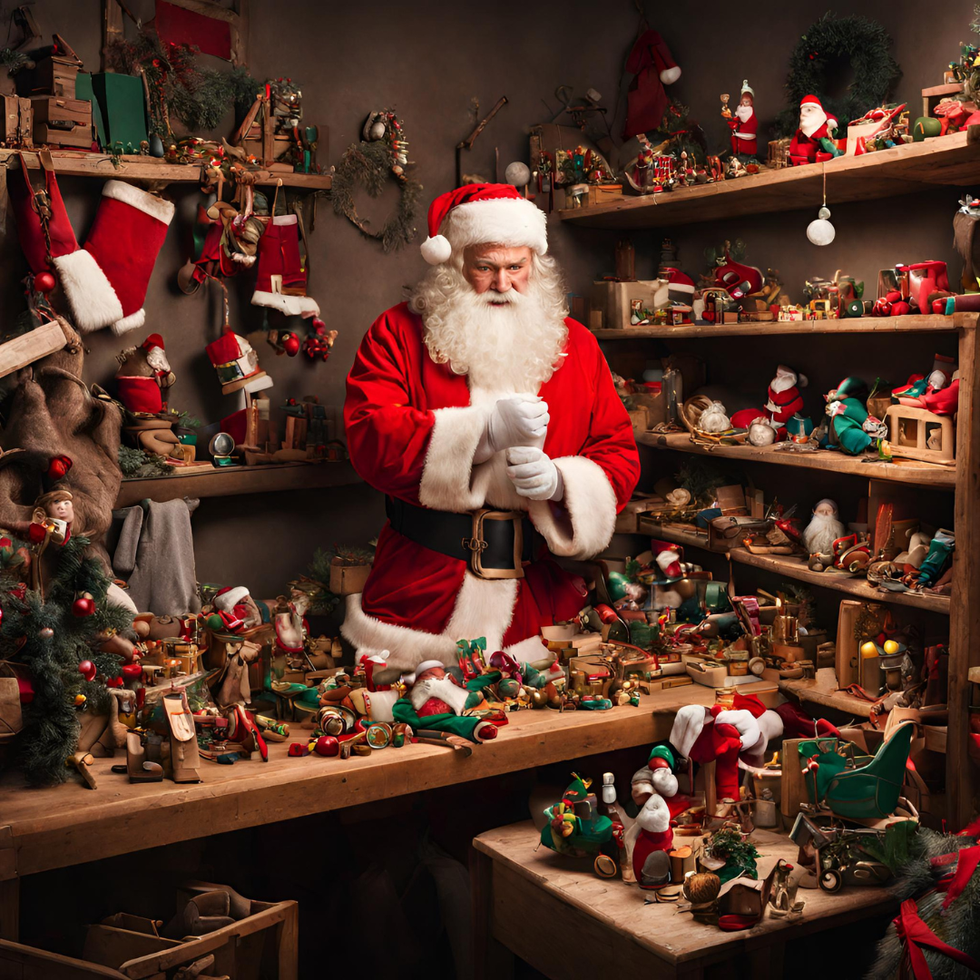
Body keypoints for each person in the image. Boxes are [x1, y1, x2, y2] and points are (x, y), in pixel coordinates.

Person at [343, 183, 640, 674]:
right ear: (456, 264)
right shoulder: (396, 333)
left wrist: (562, 483)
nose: (503, 283)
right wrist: (480, 435)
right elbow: (369, 434)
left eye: (516, 267)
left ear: (534, 265)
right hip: (420, 595)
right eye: (485, 267)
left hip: (537, 603)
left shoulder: (578, 346)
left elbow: (618, 452)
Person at [789, 94, 840, 165]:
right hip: (803, 155)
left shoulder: (820, 125)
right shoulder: (803, 131)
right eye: (802, 111)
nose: (803, 114)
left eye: (808, 110)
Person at [725, 80, 757, 158]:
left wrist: (734, 121)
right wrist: (730, 119)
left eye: (747, 102)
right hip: (740, 136)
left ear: (751, 102)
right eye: (743, 101)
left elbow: (742, 120)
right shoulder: (740, 110)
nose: (744, 103)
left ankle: (747, 158)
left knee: (746, 149)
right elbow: (737, 120)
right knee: (739, 147)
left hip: (747, 135)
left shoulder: (748, 111)